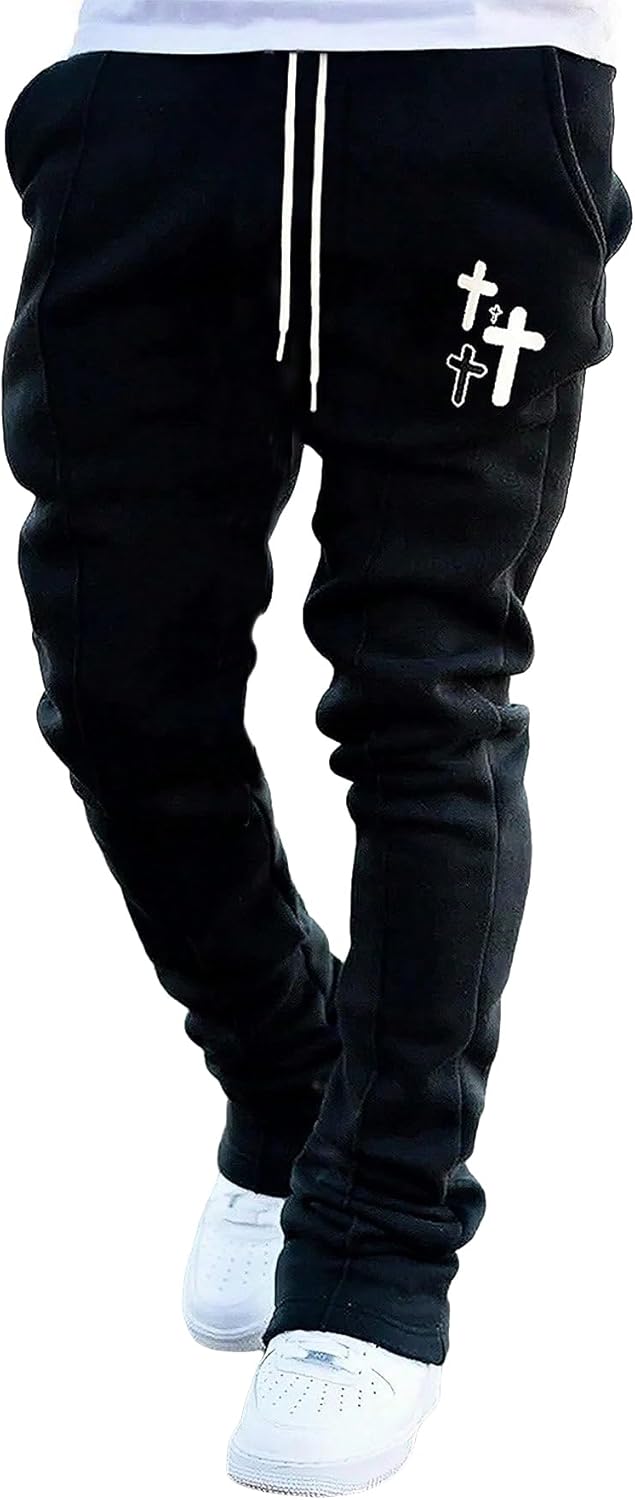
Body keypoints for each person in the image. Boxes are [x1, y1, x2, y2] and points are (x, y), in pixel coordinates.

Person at [3, 1, 631, 1493]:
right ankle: (290, 1084)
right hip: (152, 101)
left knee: (425, 691)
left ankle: (379, 1238)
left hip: (470, 94)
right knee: (119, 682)